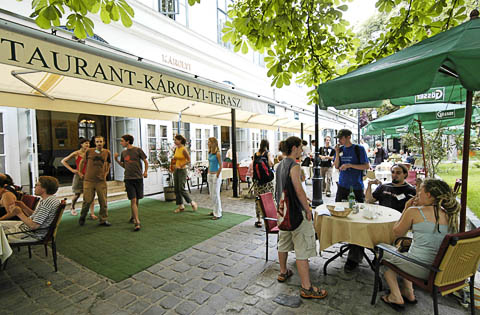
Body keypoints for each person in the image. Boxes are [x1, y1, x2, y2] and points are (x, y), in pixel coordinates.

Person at [379, 179, 460, 310]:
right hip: (440, 270)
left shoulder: (414, 211)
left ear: (428, 195)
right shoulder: (451, 216)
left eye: (420, 192)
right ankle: (408, 292)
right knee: (403, 251)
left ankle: (395, 296)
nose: (417, 195)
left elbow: (397, 232)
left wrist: (406, 208)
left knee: (382, 250)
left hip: (421, 269)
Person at [275, 136, 328, 299]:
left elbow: (283, 190)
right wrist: (307, 208)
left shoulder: (279, 165)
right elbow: (298, 190)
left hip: (283, 212)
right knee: (302, 247)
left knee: (283, 242)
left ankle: (283, 272)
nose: (302, 150)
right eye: (300, 147)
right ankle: (307, 287)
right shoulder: (295, 166)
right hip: (296, 213)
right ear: (294, 149)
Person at [334, 129, 370, 272]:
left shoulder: (358, 149)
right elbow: (336, 166)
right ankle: (346, 239)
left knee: (357, 219)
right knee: (339, 216)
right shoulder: (341, 150)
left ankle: (355, 254)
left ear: (348, 137)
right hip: (342, 186)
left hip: (356, 188)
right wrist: (337, 152)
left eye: (341, 138)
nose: (340, 140)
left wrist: (349, 165)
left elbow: (366, 166)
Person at [1, 176, 60, 242]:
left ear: (44, 188)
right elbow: (35, 216)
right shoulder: (48, 200)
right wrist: (24, 207)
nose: (34, 187)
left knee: (1, 234)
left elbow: (33, 226)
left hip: (30, 234)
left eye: (36, 185)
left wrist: (19, 213)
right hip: (25, 228)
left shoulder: (48, 202)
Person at [114, 134, 148, 232]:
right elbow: (124, 165)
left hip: (138, 178)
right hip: (128, 179)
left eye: (122, 141)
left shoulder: (138, 150)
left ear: (128, 141)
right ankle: (137, 222)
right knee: (133, 200)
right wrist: (116, 159)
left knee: (137, 199)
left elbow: (145, 161)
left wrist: (145, 172)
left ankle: (133, 216)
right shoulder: (123, 153)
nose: (121, 143)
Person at [78, 136, 111, 226]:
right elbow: (82, 162)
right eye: (97, 142)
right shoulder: (89, 151)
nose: (99, 143)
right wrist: (80, 173)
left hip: (101, 181)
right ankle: (82, 217)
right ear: (95, 143)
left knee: (103, 201)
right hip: (89, 180)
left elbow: (108, 163)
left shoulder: (107, 152)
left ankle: (103, 220)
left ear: (103, 142)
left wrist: (106, 173)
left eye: (101, 141)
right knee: (87, 201)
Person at [61, 138, 97, 219]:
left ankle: (91, 213)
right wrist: (73, 170)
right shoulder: (76, 153)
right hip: (79, 175)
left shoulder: (92, 152)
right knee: (77, 194)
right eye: (85, 143)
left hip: (89, 176)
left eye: (88, 143)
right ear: (81, 144)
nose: (87, 145)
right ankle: (72, 207)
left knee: (91, 195)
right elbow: (63, 161)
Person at [172, 134, 198, 213]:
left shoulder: (184, 149)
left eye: (176, 140)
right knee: (176, 189)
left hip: (182, 170)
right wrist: (173, 166)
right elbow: (175, 158)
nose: (174, 141)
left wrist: (182, 165)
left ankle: (192, 202)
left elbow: (189, 160)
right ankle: (181, 206)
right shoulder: (176, 149)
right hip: (176, 170)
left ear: (180, 141)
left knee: (181, 188)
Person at [252, 139, 274, 228]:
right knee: (269, 198)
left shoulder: (256, 154)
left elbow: (253, 165)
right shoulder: (268, 153)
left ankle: (258, 219)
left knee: (258, 199)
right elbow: (271, 163)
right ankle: (270, 217)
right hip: (267, 182)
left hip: (258, 182)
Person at [206, 137, 222, 220]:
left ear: (213, 143)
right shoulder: (209, 152)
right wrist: (208, 173)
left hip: (216, 175)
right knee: (212, 194)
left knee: (216, 194)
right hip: (210, 174)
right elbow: (209, 163)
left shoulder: (217, 153)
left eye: (209, 142)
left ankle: (218, 213)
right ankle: (214, 210)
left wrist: (217, 175)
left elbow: (220, 165)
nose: (208, 143)